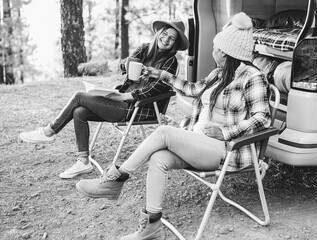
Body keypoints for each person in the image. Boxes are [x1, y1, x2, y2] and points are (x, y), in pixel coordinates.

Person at [76, 12, 271, 240]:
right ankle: (151, 228)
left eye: (217, 48)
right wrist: (159, 74)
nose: (213, 51)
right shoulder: (219, 74)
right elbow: (192, 89)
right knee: (159, 158)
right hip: (200, 142)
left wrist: (225, 132)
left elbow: (263, 118)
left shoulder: (253, 78)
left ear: (229, 54)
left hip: (226, 150)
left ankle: (114, 180)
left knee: (164, 132)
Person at [19, 19, 189, 179]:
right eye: (165, 34)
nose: (166, 40)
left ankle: (49, 131)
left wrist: (125, 96)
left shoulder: (170, 62)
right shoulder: (145, 48)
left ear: (175, 44)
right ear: (158, 33)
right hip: (122, 101)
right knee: (79, 112)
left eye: (172, 39)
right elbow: (125, 65)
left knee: (79, 96)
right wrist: (129, 66)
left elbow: (157, 89)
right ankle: (83, 162)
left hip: (139, 107)